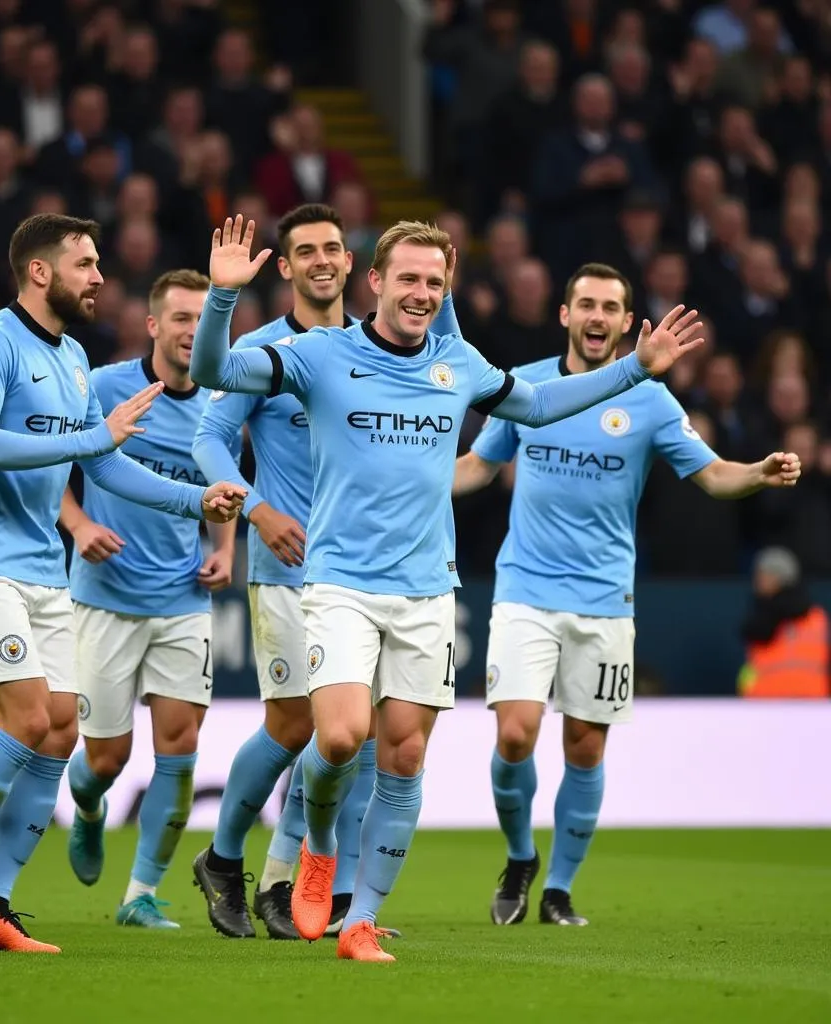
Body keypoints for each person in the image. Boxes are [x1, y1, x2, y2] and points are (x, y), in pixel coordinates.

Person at [190, 215, 703, 963]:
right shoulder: (317, 354)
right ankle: (320, 845)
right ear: (377, 282)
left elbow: (535, 404)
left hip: (429, 594)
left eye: (435, 281)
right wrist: (221, 299)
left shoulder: (458, 363)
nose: (421, 292)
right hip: (338, 585)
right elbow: (212, 375)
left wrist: (637, 369)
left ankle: (359, 920)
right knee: (336, 736)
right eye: (408, 278)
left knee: (401, 759)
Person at [0, 214, 245, 955]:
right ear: (40, 271)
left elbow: (108, 466)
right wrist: (93, 437)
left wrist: (197, 501)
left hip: (36, 567)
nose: (99, 277)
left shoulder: (71, 358)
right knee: (27, 720)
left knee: (63, 727)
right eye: (86, 264)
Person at [452, 262, 801, 928]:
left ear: (624, 321)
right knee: (517, 733)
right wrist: (405, 484)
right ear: (564, 314)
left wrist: (757, 471)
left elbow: (714, 476)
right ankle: (521, 856)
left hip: (605, 599)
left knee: (585, 746)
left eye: (610, 307)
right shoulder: (526, 387)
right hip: (525, 587)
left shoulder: (651, 400)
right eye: (585, 303)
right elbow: (478, 465)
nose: (596, 316)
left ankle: (558, 889)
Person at [191, 204, 411, 941]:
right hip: (289, 569)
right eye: (305, 251)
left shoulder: (382, 349)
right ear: (283, 267)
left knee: (364, 739)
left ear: (352, 264)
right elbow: (211, 441)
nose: (321, 260)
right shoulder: (259, 351)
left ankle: (325, 892)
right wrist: (256, 512)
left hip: (370, 573)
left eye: (332, 248)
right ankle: (225, 860)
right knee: (294, 725)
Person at [62, 269, 239, 929]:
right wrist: (79, 527)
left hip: (183, 600)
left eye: (204, 319)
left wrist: (224, 548)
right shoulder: (105, 387)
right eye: (182, 318)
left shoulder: (221, 403)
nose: (194, 331)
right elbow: (50, 468)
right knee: (106, 759)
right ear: (154, 325)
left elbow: (223, 488)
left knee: (180, 744)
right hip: (105, 598)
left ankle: (139, 894)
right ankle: (87, 807)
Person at [739, 547, 828, 698]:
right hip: (808, 703)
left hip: (790, 705)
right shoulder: (818, 617)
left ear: (778, 578)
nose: (758, 581)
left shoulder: (816, 618)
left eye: (763, 575)